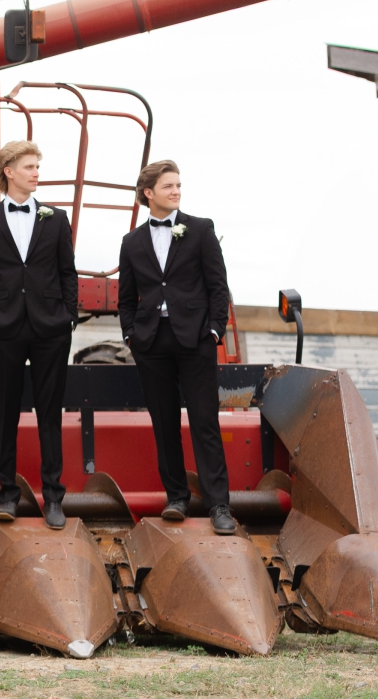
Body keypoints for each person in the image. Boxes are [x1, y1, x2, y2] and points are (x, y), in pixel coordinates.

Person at [118, 160, 236, 535]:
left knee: (205, 421)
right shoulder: (132, 242)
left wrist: (215, 331)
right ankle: (177, 499)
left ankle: (219, 506)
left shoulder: (200, 229)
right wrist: (130, 336)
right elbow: (126, 298)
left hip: (196, 339)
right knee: (164, 423)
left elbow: (219, 286)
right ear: (148, 193)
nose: (176, 191)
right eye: (168, 186)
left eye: (179, 185)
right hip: (151, 341)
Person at [0, 141, 78, 531]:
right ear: (8, 171)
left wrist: (69, 317)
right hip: (4, 329)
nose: (36, 173)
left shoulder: (56, 218)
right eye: (29, 166)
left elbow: (68, 272)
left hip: (51, 329)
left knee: (50, 416)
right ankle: (7, 498)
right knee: (6, 415)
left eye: (37, 166)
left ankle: (53, 499)